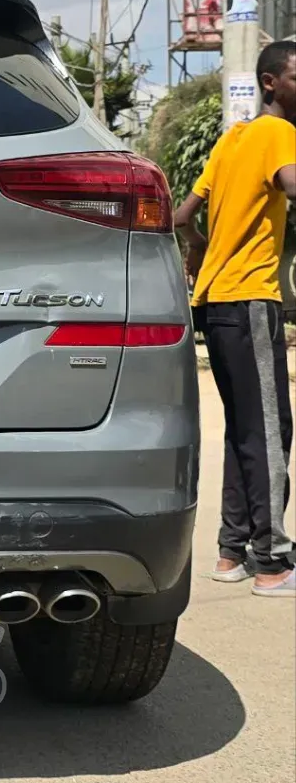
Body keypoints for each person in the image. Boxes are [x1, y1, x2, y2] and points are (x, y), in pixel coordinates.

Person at [174, 40, 296, 596]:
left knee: (246, 431)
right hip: (250, 299)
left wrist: (199, 247)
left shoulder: (233, 139)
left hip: (215, 303)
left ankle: (232, 552)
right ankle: (272, 562)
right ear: (271, 82)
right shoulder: (278, 134)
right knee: (270, 432)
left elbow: (182, 214)